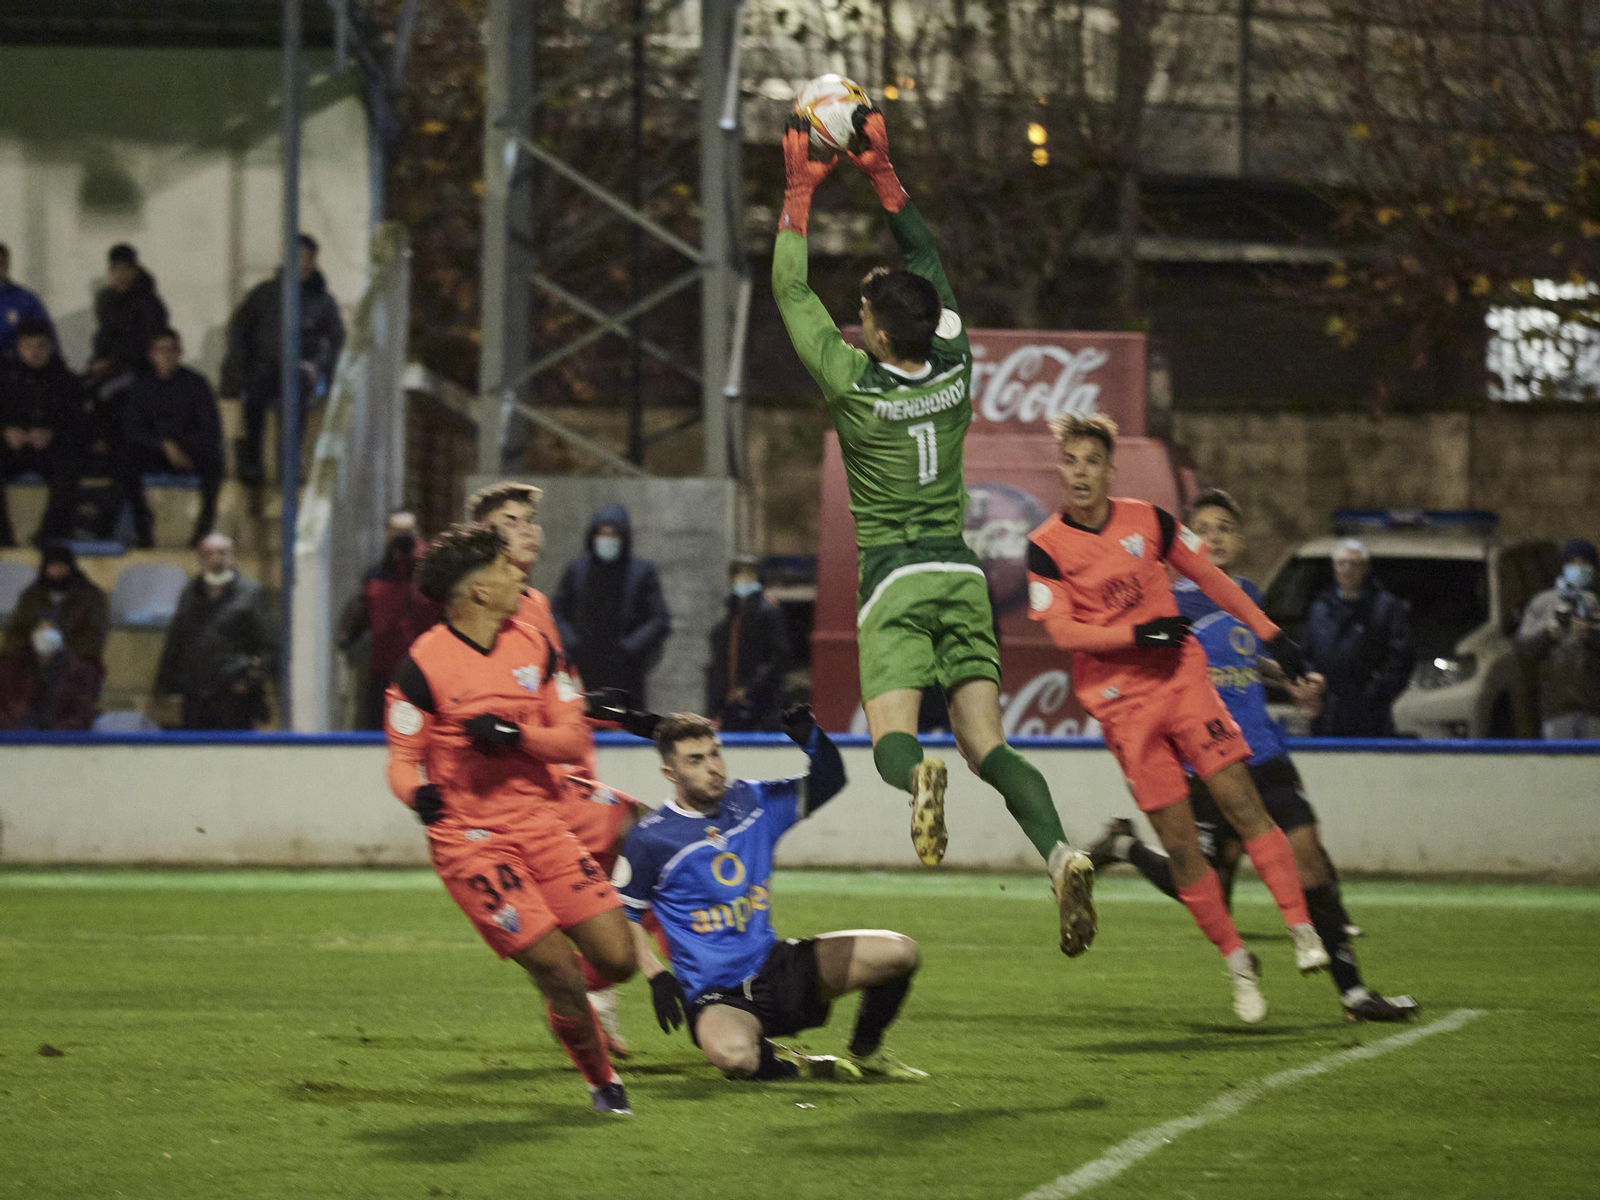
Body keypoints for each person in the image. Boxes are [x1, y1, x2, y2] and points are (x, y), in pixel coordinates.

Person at [770, 105, 1097, 956]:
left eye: (865, 308)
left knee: (893, 740)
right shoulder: (955, 365)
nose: (859, 311)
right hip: (961, 575)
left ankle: (919, 776)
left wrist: (801, 190)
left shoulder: (853, 382)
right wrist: (883, 173)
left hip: (893, 582)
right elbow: (929, 264)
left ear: (875, 335)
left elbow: (790, 291)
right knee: (990, 744)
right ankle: (1060, 853)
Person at [1026, 413, 1329, 1023]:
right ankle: (1237, 961)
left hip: (1182, 685)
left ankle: (1302, 931)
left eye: (1091, 462)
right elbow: (1062, 629)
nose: (1080, 472)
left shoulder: (1151, 521)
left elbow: (1213, 578)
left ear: (1111, 470)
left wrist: (1273, 637)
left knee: (1244, 804)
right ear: (1061, 471)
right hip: (1122, 707)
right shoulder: (1046, 547)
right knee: (1181, 848)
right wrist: (1139, 631)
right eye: (1071, 462)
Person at [1087, 488, 1418, 1023]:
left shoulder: (1247, 596)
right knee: (1202, 884)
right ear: (1185, 540)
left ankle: (1354, 993)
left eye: (1226, 528)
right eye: (1204, 528)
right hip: (1205, 765)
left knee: (1307, 853)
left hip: (1262, 753)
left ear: (1240, 542)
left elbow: (1247, 660)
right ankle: (1125, 848)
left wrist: (1292, 682)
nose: (1214, 537)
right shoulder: (1167, 603)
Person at [384, 523, 637, 1115]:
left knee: (618, 960)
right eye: (503, 567)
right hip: (471, 842)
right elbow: (401, 762)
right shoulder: (422, 666)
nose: (517, 573)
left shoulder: (536, 645)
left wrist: (515, 737)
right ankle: (602, 1080)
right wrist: (417, 797)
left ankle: (567, 996)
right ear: (476, 591)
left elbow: (572, 740)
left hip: (543, 825)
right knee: (558, 971)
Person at [617, 709, 925, 1082]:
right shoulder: (651, 837)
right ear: (671, 774)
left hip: (776, 966)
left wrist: (813, 739)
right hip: (717, 994)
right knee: (735, 1058)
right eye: (695, 760)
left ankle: (866, 1051)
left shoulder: (752, 801)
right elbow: (623, 913)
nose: (713, 767)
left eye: (715, 753)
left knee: (900, 952)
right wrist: (656, 975)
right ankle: (801, 1065)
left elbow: (828, 780)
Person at [470, 479, 667, 1057]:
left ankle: (593, 997)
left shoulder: (534, 605)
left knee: (650, 851)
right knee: (655, 840)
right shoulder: (474, 611)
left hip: (561, 779)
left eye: (530, 518)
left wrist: (607, 712)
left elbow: (552, 693)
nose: (529, 529)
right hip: (519, 799)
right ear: (482, 537)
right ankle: (615, 992)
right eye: (511, 520)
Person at [223, 234, 346, 485]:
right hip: (265, 368)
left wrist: (318, 366)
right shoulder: (264, 294)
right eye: (298, 258)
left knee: (295, 398)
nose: (303, 264)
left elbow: (336, 340)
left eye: (308, 259)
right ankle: (252, 465)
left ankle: (287, 468)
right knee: (254, 398)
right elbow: (239, 330)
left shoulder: (322, 300)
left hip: (300, 371)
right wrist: (239, 369)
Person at [552, 503, 671, 708]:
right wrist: (572, 642)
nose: (607, 540)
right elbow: (557, 611)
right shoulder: (578, 570)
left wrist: (630, 646)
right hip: (583, 666)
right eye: (602, 533)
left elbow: (659, 619)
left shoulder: (641, 572)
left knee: (627, 725)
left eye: (613, 534)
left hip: (627, 669)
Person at [155, 534, 277, 730]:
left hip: (235, 698)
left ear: (232, 556)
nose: (216, 559)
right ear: (200, 558)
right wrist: (162, 686)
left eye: (222, 553)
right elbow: (176, 640)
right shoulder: (190, 593)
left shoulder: (250, 592)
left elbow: (270, 647)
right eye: (208, 554)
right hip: (195, 697)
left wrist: (249, 679)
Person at [119, 329, 225, 549]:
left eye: (171, 350)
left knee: (214, 460)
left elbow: (209, 428)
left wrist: (182, 447)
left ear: (179, 352)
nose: (166, 355)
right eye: (160, 350)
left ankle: (203, 529)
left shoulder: (196, 383)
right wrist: (164, 445)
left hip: (190, 451)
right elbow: (132, 428)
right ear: (151, 355)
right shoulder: (141, 385)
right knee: (126, 458)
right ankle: (142, 527)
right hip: (156, 451)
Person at [339, 509, 441, 730]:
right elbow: (363, 618)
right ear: (387, 534)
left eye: (408, 531)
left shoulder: (433, 575)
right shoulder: (376, 576)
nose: (403, 537)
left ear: (419, 533)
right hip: (383, 674)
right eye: (397, 531)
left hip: (426, 673)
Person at [1301, 538, 1414, 737]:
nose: (1348, 569)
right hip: (1327, 713)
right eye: (1341, 563)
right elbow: (1307, 653)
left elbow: (1401, 658)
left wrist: (1376, 694)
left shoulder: (1385, 607)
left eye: (1355, 564)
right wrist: (1312, 686)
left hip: (1370, 715)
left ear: (1366, 568)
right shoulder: (1320, 607)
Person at [0, 319, 87, 547]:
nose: (34, 352)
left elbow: (79, 425)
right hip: (11, 449)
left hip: (50, 451)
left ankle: (50, 537)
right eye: (28, 346)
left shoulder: (67, 381)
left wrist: (52, 435)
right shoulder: (5, 378)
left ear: (50, 347)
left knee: (69, 466)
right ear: (18, 347)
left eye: (40, 346)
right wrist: (5, 432)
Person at [1515, 538, 1600, 739]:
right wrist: (1550, 636)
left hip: (1595, 708)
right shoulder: (1543, 603)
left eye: (1584, 564)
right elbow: (1523, 648)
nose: (1578, 569)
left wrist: (1590, 635)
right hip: (1556, 707)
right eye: (1572, 563)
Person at [707, 555, 792, 731]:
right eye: (738, 574)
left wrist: (750, 688)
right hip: (730, 702)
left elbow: (779, 656)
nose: (743, 579)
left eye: (749, 574)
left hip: (761, 702)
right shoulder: (731, 615)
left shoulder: (768, 612)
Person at [1, 542, 109, 663]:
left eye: (60, 566)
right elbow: (16, 630)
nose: (55, 571)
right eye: (51, 566)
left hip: (76, 659)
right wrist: (34, 647)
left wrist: (59, 649)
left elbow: (95, 635)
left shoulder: (90, 595)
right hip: (32, 658)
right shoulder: (32, 595)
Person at [87, 245, 169, 388]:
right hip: (111, 367)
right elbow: (104, 335)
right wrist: (97, 360)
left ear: (135, 271)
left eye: (126, 270)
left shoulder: (149, 303)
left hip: (141, 370)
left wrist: (112, 362)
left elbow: (146, 343)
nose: (120, 275)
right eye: (115, 270)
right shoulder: (106, 300)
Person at [0, 618, 103, 731]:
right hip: (16, 740)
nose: (46, 634)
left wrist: (55, 735)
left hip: (63, 741)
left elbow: (82, 714)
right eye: (41, 628)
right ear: (31, 634)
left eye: (51, 629)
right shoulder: (13, 669)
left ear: (61, 635)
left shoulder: (78, 672)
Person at [0, 242, 54, 361]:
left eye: (1, 264)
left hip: (17, 369)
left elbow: (47, 337)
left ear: (7, 265)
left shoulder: (25, 300)